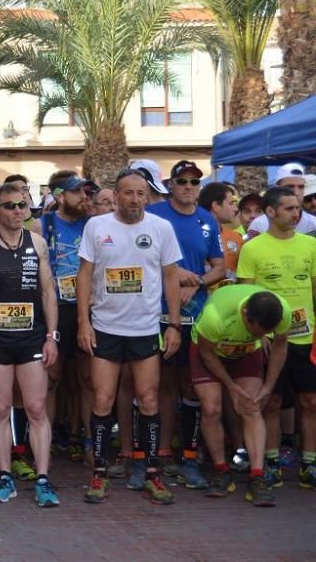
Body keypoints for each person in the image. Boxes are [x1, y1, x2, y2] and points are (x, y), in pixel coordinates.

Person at [77, 168, 183, 506]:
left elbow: (170, 278)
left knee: (148, 400)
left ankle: (152, 473)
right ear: (117, 195)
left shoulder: (161, 228)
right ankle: (100, 474)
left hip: (145, 329)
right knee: (103, 400)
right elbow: (84, 275)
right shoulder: (97, 226)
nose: (134, 199)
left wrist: (174, 325)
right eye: (128, 192)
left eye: (141, 193)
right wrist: (83, 322)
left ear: (147, 196)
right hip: (106, 327)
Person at [0, 183, 60, 506]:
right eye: (10, 206)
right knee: (1, 407)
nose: (18, 211)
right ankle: (5, 476)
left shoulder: (38, 243)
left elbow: (48, 292)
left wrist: (51, 337)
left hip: (32, 336)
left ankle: (43, 478)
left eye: (23, 205)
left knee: (35, 407)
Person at [147, 160, 225, 490]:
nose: (189, 186)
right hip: (159, 312)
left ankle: (190, 455)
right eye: (182, 181)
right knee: (160, 383)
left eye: (195, 181)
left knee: (193, 384)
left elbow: (219, 267)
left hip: (197, 312)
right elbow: (144, 257)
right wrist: (173, 273)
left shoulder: (208, 219)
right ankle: (160, 451)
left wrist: (198, 282)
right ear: (171, 185)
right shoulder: (156, 217)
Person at [237, 186, 316, 490]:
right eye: (288, 208)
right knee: (271, 402)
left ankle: (309, 463)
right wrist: (259, 335)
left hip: (305, 337)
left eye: (297, 208)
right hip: (268, 339)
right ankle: (270, 463)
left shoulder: (310, 245)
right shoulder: (253, 249)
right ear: (270, 212)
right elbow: (245, 296)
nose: (295, 214)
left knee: (310, 401)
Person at [192, 285, 289, 507]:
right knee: (211, 408)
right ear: (245, 313)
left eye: (265, 334)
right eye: (257, 332)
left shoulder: (282, 309)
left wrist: (268, 386)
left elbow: (281, 347)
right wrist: (231, 386)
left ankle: (257, 476)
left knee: (251, 406)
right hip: (209, 349)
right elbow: (206, 354)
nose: (261, 336)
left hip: (246, 351)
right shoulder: (215, 316)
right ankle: (221, 471)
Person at [42, 175, 93, 472]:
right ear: (60, 196)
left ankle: (88, 443)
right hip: (56, 307)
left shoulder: (93, 224)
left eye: (84, 191)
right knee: (52, 377)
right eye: (76, 192)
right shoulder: (45, 223)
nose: (83, 197)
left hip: (86, 307)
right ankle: (44, 442)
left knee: (87, 378)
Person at [247, 163, 316, 239]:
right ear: (277, 188)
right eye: (290, 186)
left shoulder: (313, 225)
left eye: (301, 187)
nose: (296, 192)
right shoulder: (258, 226)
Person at [199, 182, 241, 287]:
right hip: (200, 301)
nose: (236, 209)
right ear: (216, 206)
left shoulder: (236, 238)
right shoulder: (192, 237)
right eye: (231, 203)